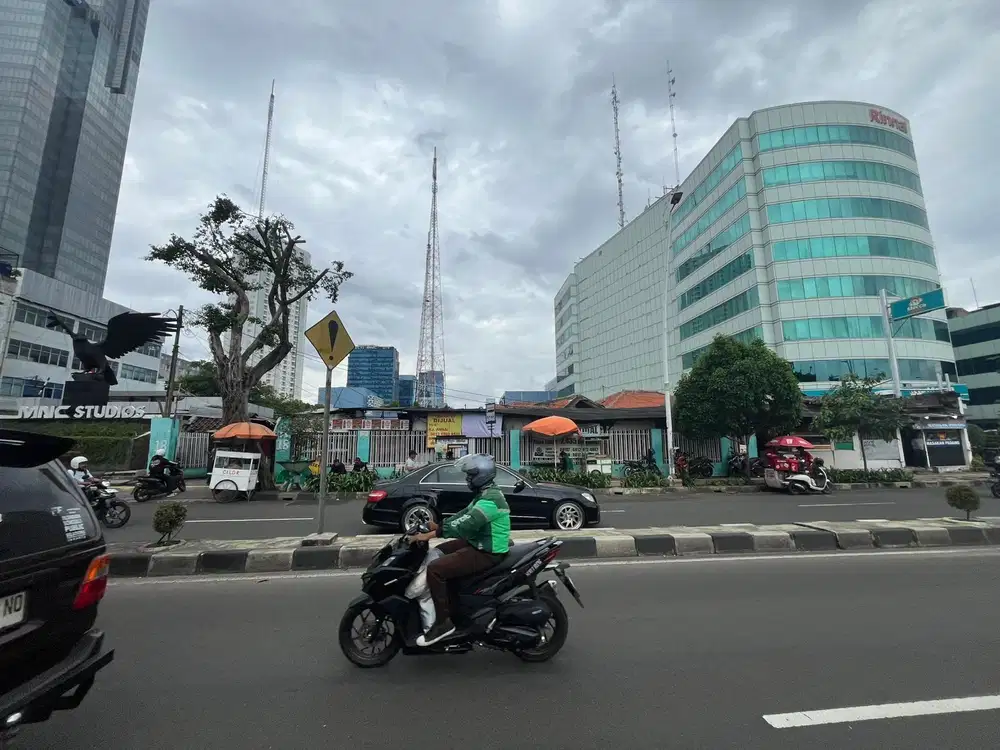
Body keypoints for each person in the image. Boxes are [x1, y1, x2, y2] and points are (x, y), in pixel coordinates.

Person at [408, 453, 511, 646]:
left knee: (436, 569)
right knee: (439, 551)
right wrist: (436, 524)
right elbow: (463, 515)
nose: (467, 479)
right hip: (478, 542)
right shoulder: (486, 494)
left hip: (488, 551)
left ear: (481, 475)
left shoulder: (491, 500)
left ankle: (443, 623)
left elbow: (465, 525)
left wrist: (431, 534)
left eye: (471, 475)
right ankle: (452, 601)